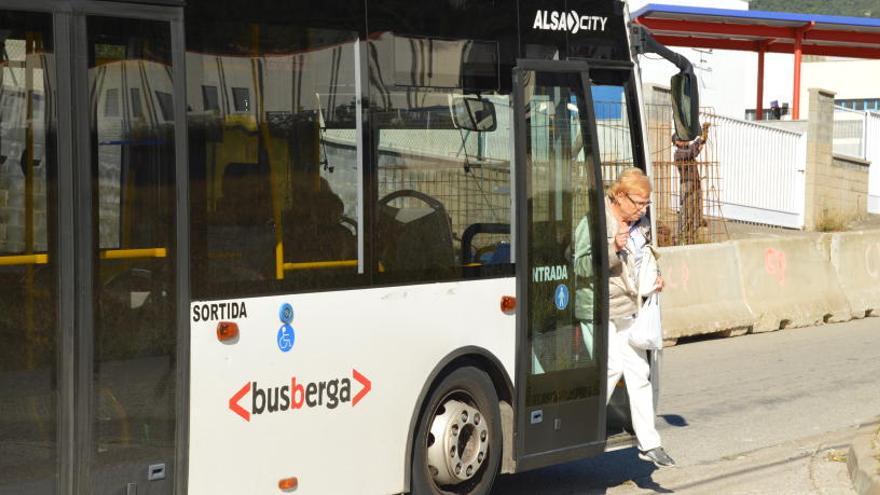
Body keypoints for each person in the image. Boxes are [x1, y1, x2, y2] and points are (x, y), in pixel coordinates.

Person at [604, 167, 675, 468]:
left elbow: (645, 258)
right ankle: (582, 426)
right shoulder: (601, 220)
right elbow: (583, 262)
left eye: (646, 203)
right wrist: (613, 248)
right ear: (620, 196)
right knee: (611, 367)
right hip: (604, 308)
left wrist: (654, 280)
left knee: (639, 373)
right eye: (638, 202)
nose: (643, 209)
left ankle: (650, 443)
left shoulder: (641, 223)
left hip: (631, 308)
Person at [672, 121, 711, 245]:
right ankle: (682, 236)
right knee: (686, 211)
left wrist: (704, 135)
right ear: (676, 143)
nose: (685, 141)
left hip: (695, 182)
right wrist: (699, 140)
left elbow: (695, 149)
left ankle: (692, 236)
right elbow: (692, 152)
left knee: (696, 208)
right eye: (681, 140)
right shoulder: (679, 153)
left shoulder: (688, 150)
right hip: (687, 184)